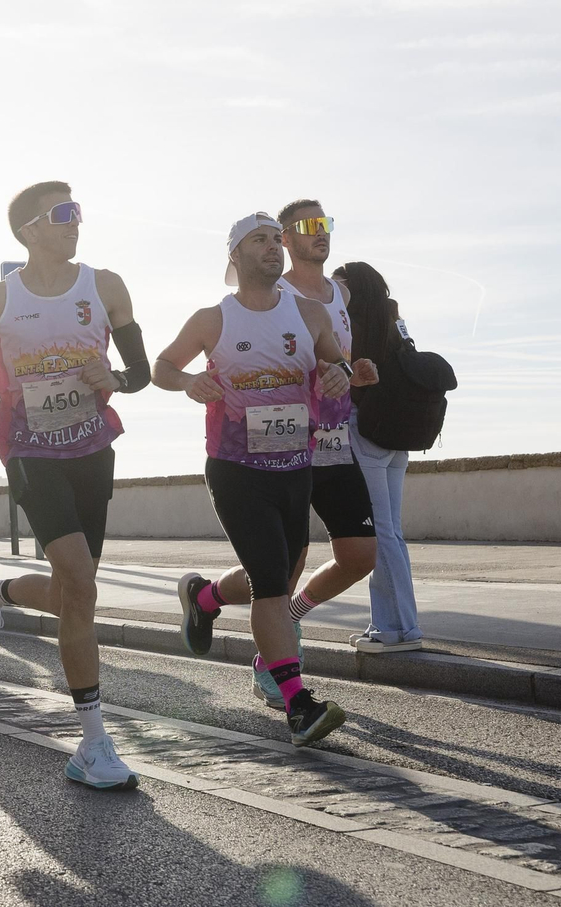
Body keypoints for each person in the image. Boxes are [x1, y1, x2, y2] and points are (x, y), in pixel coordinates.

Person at [0, 180, 151, 791]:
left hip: (92, 447)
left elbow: (140, 373)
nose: (75, 223)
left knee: (76, 592)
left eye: (77, 212)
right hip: (30, 449)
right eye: (63, 214)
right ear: (30, 230)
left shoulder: (107, 286)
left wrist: (113, 377)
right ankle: (93, 743)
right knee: (82, 581)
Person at [153, 212, 353, 748]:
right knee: (270, 581)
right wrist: (189, 380)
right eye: (258, 241)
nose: (272, 248)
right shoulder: (212, 319)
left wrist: (340, 372)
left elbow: (338, 366)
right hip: (236, 469)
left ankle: (206, 598)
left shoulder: (309, 313)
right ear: (235, 256)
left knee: (280, 580)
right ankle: (297, 705)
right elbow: (162, 367)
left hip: (295, 468)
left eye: (274, 240)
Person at [337, 260, 425, 654]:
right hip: (398, 431)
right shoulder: (393, 316)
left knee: (379, 533)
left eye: (341, 283)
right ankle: (402, 625)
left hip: (364, 426)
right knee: (393, 531)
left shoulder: (349, 318)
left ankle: (393, 631)